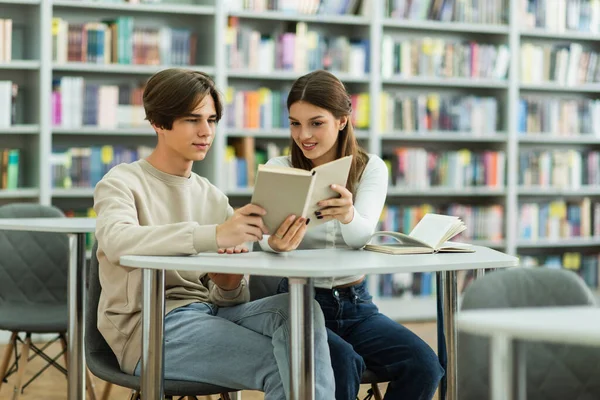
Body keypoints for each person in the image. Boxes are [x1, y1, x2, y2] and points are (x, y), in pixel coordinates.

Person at [93, 68, 335, 400]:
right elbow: (117, 242)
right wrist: (216, 235)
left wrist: (228, 282)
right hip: (150, 329)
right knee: (284, 363)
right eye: (193, 120)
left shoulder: (212, 196)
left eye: (212, 120)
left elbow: (229, 300)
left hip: (210, 313)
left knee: (301, 313)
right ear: (159, 123)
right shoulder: (121, 182)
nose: (206, 131)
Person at [259, 69, 444, 400]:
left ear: (343, 120)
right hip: (300, 302)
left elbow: (361, 237)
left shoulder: (370, 167)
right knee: (343, 363)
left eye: (316, 123)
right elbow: (257, 236)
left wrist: (348, 214)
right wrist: (272, 243)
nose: (304, 135)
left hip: (356, 303)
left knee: (425, 365)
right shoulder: (280, 166)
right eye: (295, 123)